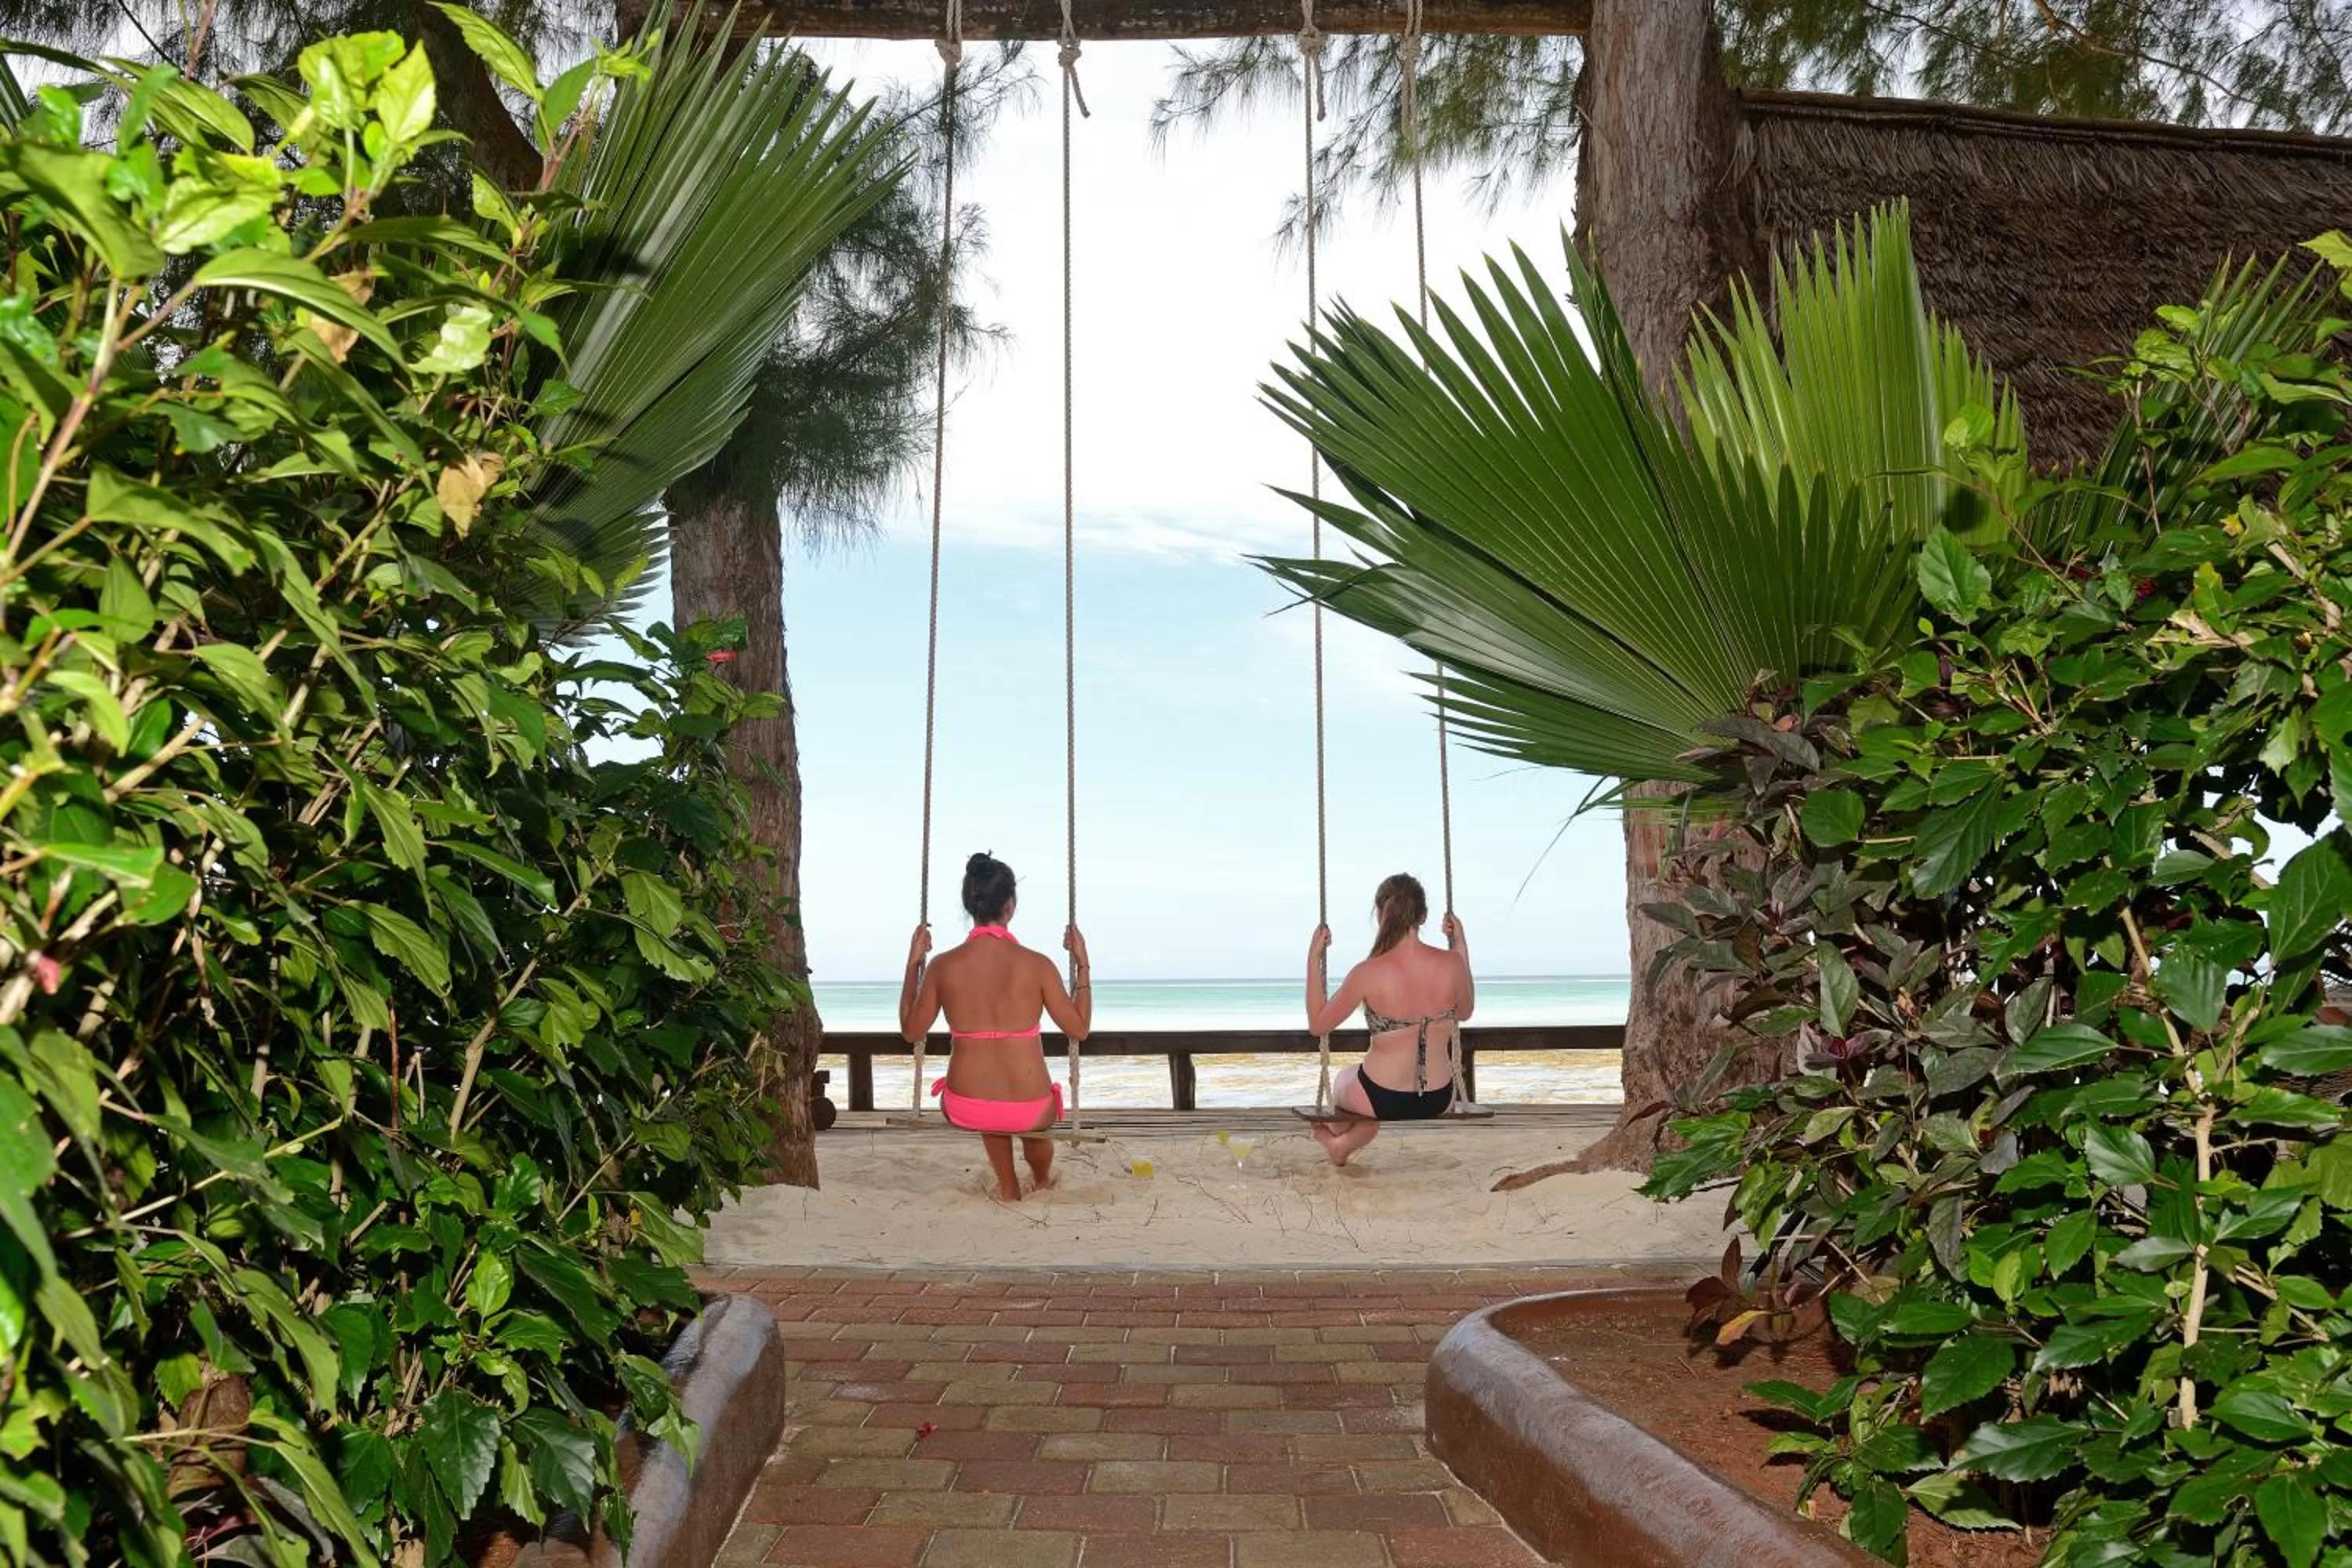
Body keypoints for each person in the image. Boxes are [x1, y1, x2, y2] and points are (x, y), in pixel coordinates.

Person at [899, 851, 1091, 1200]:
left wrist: (913, 965)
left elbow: (911, 1031)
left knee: (992, 1110)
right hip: (1030, 1107)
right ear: (1010, 906)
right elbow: (1078, 1029)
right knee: (1031, 1123)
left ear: (970, 905)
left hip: (965, 1103)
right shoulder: (1037, 966)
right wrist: (1084, 966)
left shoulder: (943, 967)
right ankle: (1042, 1178)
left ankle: (1008, 1186)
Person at [1303, 873, 1475, 1167]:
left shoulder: (1368, 972)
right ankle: (1340, 1146)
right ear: (1423, 916)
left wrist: (1313, 959)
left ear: (1381, 914)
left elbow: (1318, 1025)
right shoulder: (1453, 964)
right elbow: (1465, 1012)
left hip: (1380, 1097)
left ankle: (1337, 1137)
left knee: (1346, 1081)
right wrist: (1459, 943)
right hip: (1439, 1097)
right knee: (1363, 1113)